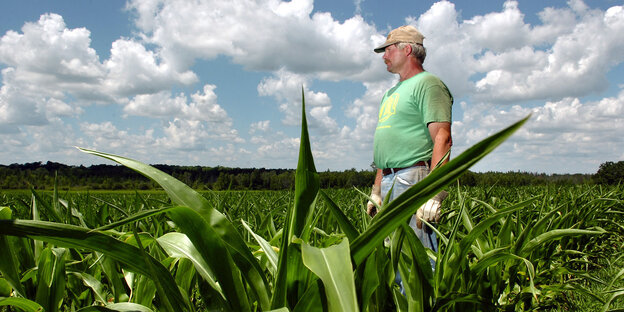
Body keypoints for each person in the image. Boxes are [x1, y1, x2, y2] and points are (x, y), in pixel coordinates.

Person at [367, 25, 453, 266]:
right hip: (389, 180)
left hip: (413, 180)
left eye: (388, 50)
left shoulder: (429, 84)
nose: (384, 56)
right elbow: (387, 148)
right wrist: (376, 190)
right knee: (393, 257)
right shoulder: (390, 93)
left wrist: (434, 193)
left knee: (416, 262)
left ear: (407, 50)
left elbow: (442, 138)